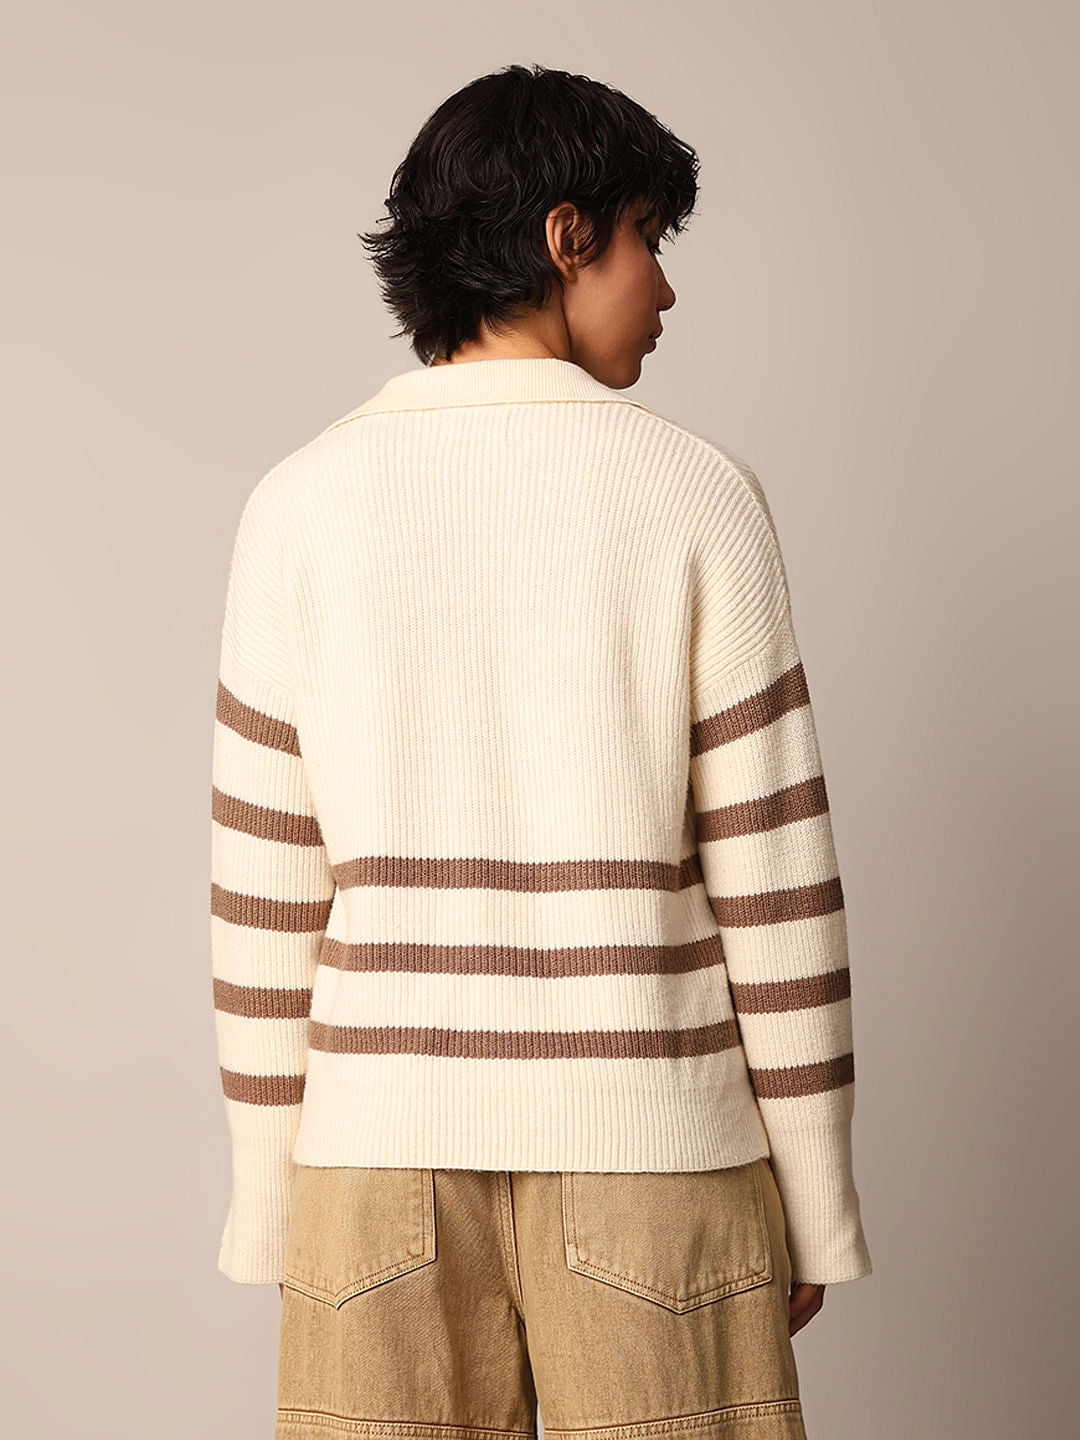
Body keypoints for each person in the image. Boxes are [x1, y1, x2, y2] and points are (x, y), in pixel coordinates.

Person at [209, 62, 872, 1440]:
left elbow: (266, 896)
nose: (666, 290)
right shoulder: (695, 492)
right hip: (655, 1154)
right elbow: (776, 883)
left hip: (373, 1171)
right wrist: (813, 1199)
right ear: (566, 236)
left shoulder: (296, 505)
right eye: (648, 239)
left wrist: (274, 1203)